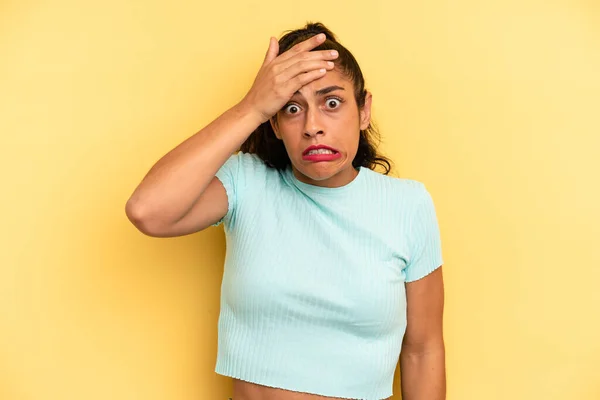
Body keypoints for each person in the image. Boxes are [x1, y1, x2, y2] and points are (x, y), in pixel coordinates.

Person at [125, 22, 446, 400]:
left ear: (363, 110)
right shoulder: (246, 182)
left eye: (332, 103)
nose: (313, 127)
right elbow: (148, 210)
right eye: (292, 108)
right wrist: (252, 106)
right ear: (275, 123)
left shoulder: (408, 205)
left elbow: (423, 349)